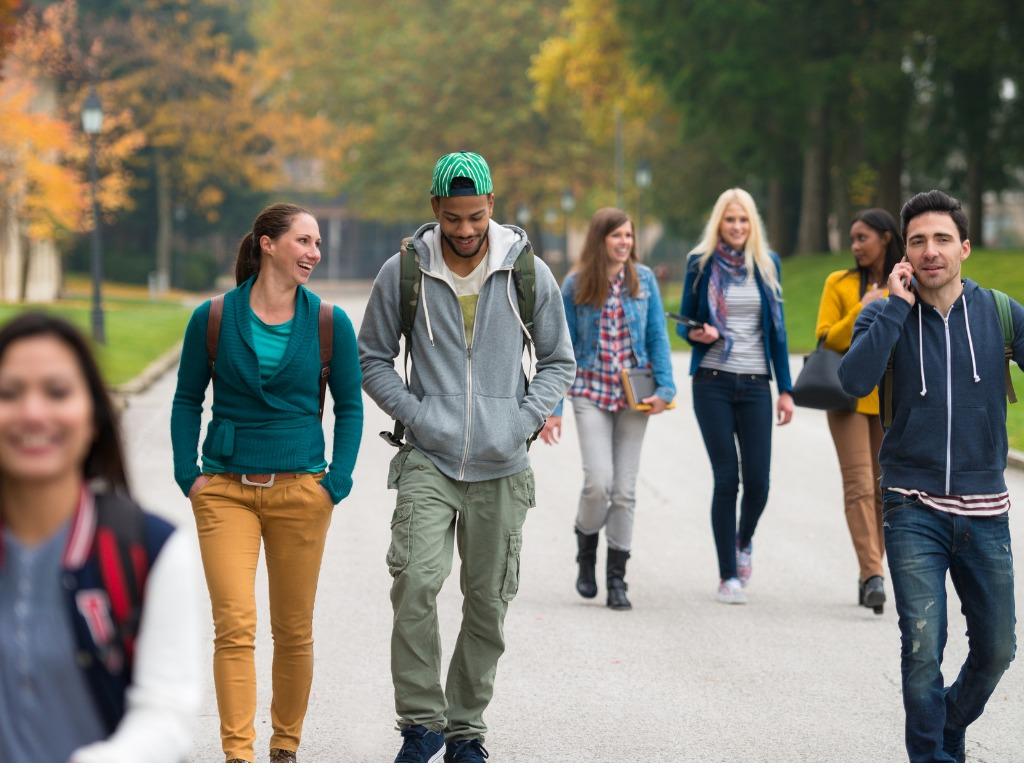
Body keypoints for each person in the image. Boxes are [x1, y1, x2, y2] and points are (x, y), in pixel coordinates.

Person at [359, 151, 575, 763]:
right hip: (429, 457)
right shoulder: (402, 273)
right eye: (452, 217)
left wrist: (523, 420)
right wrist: (418, 414)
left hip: (503, 464)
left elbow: (560, 358)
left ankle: (466, 729)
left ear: (491, 208)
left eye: (475, 216)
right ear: (434, 209)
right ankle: (421, 724)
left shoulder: (526, 270)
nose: (463, 230)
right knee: (416, 584)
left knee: (487, 599)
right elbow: (371, 357)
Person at [170, 203, 363, 763]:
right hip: (225, 490)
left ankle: (285, 743)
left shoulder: (329, 322)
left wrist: (337, 482)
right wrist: (190, 475)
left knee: (293, 629)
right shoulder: (212, 317)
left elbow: (350, 407)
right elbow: (187, 399)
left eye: (318, 243)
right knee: (234, 625)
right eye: (304, 241)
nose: (314, 253)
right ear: (267, 244)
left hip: (302, 491)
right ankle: (239, 754)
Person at [839, 190, 1021, 762]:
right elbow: (853, 380)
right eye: (918, 240)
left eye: (942, 239)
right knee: (922, 648)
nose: (930, 251)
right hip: (910, 506)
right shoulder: (883, 311)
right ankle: (933, 757)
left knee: (997, 648)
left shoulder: (998, 313)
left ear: (964, 247)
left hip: (985, 510)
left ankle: (946, 723)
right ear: (904, 253)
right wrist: (893, 307)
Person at [0, 313, 201, 761]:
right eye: (9, 394)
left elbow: (166, 716)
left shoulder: (151, 549)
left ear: (93, 416)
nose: (33, 413)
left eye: (57, 392)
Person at [538, 207, 675, 610]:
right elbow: (556, 350)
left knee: (625, 490)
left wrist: (665, 388)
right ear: (600, 239)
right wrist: (554, 408)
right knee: (599, 481)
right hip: (590, 391)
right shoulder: (577, 283)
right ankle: (586, 547)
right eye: (617, 236)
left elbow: (657, 338)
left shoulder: (644, 281)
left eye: (629, 236)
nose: (624, 243)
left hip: (635, 395)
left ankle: (617, 578)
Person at [678, 188, 794, 605]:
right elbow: (683, 324)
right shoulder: (700, 264)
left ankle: (744, 541)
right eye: (730, 220)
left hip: (756, 385)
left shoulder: (766, 265)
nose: (737, 227)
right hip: (712, 380)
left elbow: (778, 334)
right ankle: (728, 574)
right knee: (727, 477)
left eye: (744, 220)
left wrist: (786, 391)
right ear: (719, 223)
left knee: (759, 482)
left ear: (752, 224)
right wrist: (697, 332)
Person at [815, 209, 903, 613]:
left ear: (886, 238)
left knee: (886, 489)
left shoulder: (905, 282)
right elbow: (827, 339)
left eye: (862, 237)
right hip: (847, 398)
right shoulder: (838, 282)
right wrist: (864, 306)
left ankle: (872, 569)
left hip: (890, 399)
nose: (855, 246)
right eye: (852, 239)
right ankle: (872, 574)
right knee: (858, 485)